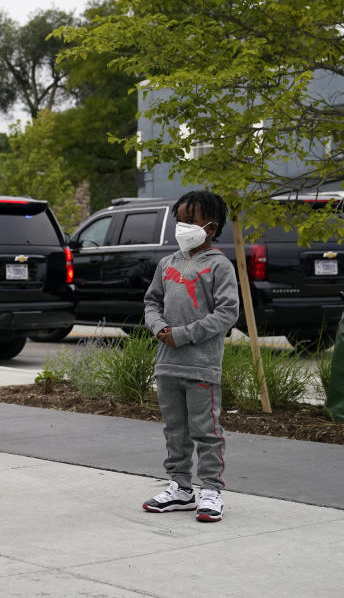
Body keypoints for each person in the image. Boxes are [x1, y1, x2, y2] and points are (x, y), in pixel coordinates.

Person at [142, 190, 239, 522]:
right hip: (166, 364)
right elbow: (151, 302)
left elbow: (227, 313)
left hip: (201, 366)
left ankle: (210, 490)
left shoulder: (219, 266)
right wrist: (158, 329)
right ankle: (180, 488)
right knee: (175, 429)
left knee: (205, 430)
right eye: (179, 220)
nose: (182, 226)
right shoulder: (167, 263)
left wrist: (181, 335)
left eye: (190, 221)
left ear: (210, 227)